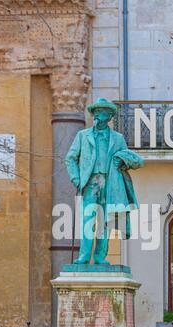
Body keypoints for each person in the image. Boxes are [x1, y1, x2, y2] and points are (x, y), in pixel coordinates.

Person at [65, 98, 144, 264]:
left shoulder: (118, 138)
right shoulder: (82, 136)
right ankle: (84, 256)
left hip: (110, 183)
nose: (98, 115)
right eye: (97, 112)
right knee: (88, 219)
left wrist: (122, 161)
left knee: (105, 221)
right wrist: (76, 179)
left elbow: (131, 159)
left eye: (103, 113)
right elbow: (70, 158)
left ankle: (100, 257)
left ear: (109, 117)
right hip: (90, 182)